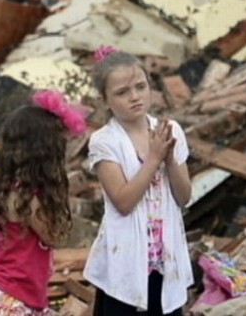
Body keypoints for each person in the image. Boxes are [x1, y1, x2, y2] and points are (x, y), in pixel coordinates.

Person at [84, 48, 193, 316]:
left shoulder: (169, 130)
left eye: (140, 87)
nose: (135, 97)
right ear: (105, 100)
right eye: (122, 92)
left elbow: (183, 197)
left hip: (165, 258)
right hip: (126, 261)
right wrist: (154, 158)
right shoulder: (104, 141)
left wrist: (169, 160)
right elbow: (123, 201)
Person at [0, 90, 87, 316]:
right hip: (13, 300)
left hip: (9, 294)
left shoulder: (10, 188)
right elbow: (54, 236)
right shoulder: (31, 199)